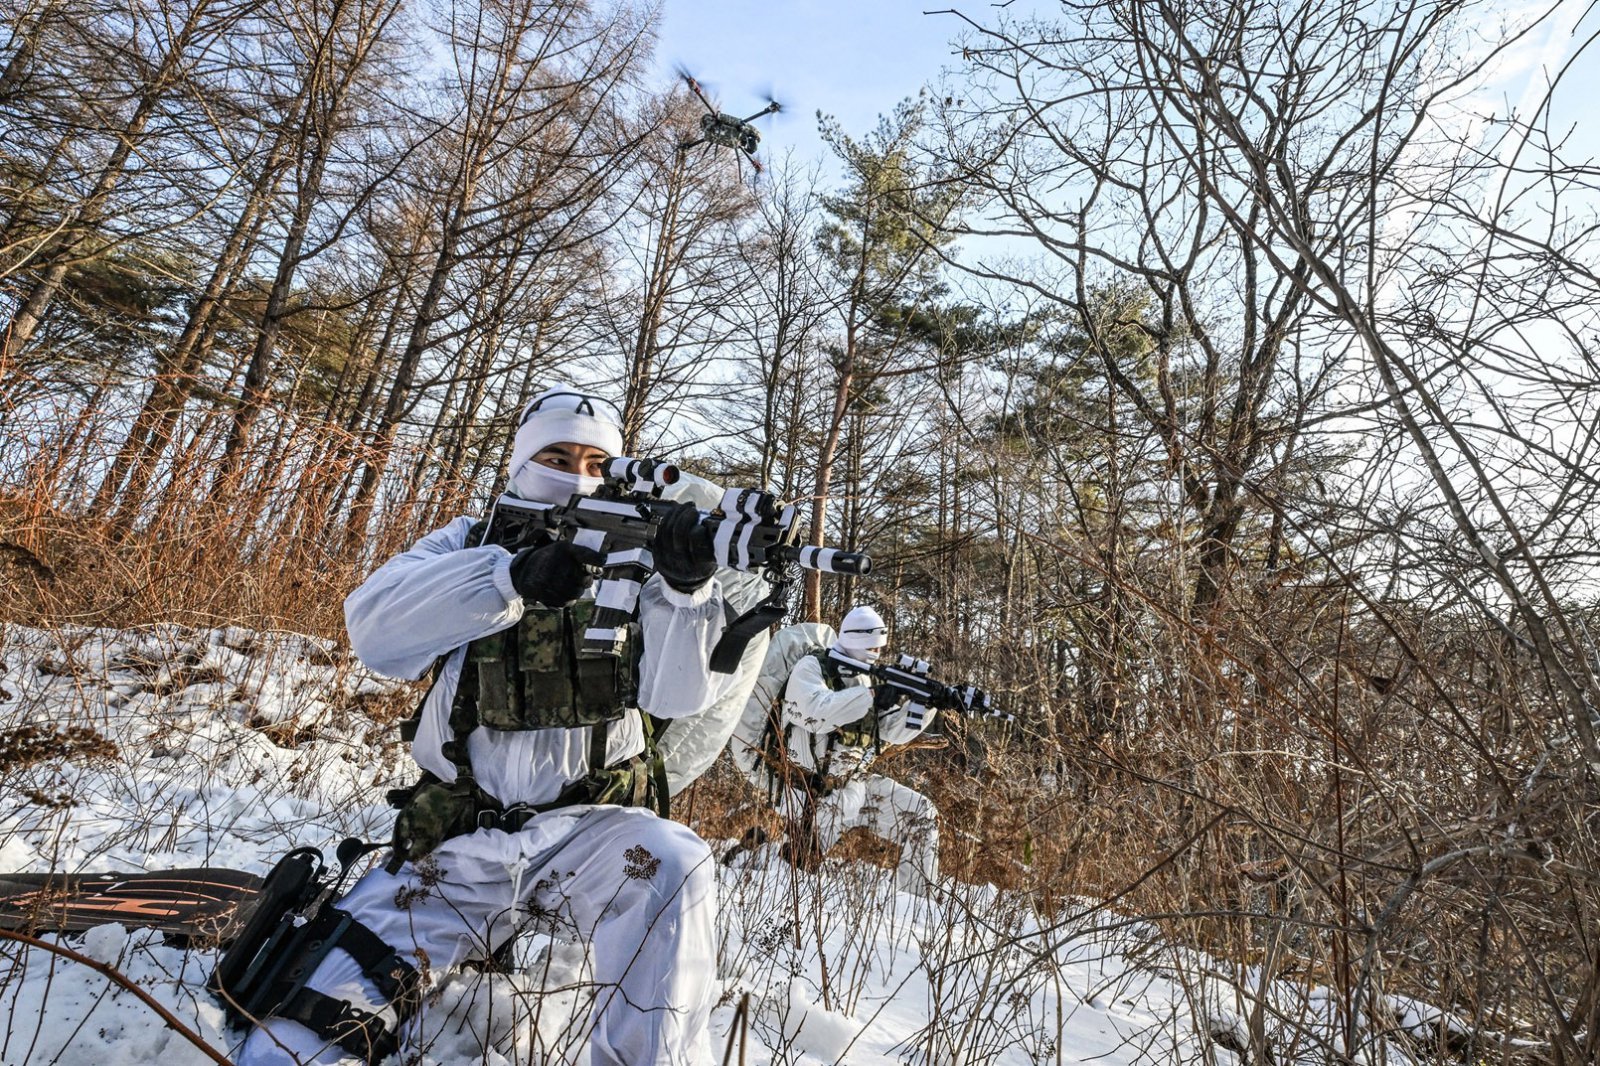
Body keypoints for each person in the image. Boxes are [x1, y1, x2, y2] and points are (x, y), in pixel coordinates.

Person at [238, 387, 759, 1066]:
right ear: (520, 463)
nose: (576, 476)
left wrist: (686, 588)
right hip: (456, 843)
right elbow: (376, 633)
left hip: (591, 838)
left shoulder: (639, 565)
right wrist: (508, 577)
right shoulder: (469, 541)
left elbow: (681, 696)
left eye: (596, 463)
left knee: (677, 861)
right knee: (294, 1044)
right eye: (556, 456)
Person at [730, 605, 942, 897]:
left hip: (853, 788)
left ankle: (918, 904)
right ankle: (749, 858)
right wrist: (872, 696)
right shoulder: (811, 668)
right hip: (808, 793)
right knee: (797, 866)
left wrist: (926, 703)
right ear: (856, 639)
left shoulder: (865, 678)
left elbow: (891, 731)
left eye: (879, 647)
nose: (877, 652)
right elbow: (817, 712)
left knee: (921, 814)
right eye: (872, 646)